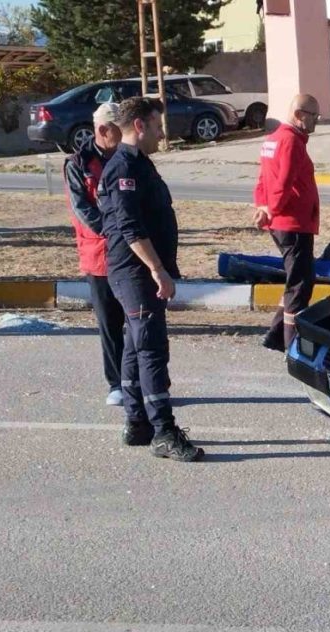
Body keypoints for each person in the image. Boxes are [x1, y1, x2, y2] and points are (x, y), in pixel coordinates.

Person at [98, 97, 203, 462]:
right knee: (151, 348)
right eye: (158, 126)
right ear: (139, 126)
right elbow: (129, 227)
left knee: (134, 345)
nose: (162, 134)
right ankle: (163, 431)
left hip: (138, 270)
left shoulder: (139, 163)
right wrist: (158, 270)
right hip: (136, 271)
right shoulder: (123, 166)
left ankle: (137, 423)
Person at [63, 102, 124, 407]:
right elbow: (82, 209)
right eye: (119, 129)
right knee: (110, 323)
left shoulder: (127, 157)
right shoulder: (78, 163)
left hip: (130, 253)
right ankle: (117, 383)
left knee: (138, 322)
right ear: (103, 130)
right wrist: (114, 232)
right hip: (99, 254)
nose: (124, 135)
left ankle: (140, 380)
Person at [253, 93, 321, 352]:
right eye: (314, 116)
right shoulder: (291, 141)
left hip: (284, 221)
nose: (317, 121)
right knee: (301, 284)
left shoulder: (273, 139)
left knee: (297, 280)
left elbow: (263, 179)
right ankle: (292, 342)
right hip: (292, 223)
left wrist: (263, 206)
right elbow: (284, 182)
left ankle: (276, 334)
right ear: (299, 115)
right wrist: (271, 209)